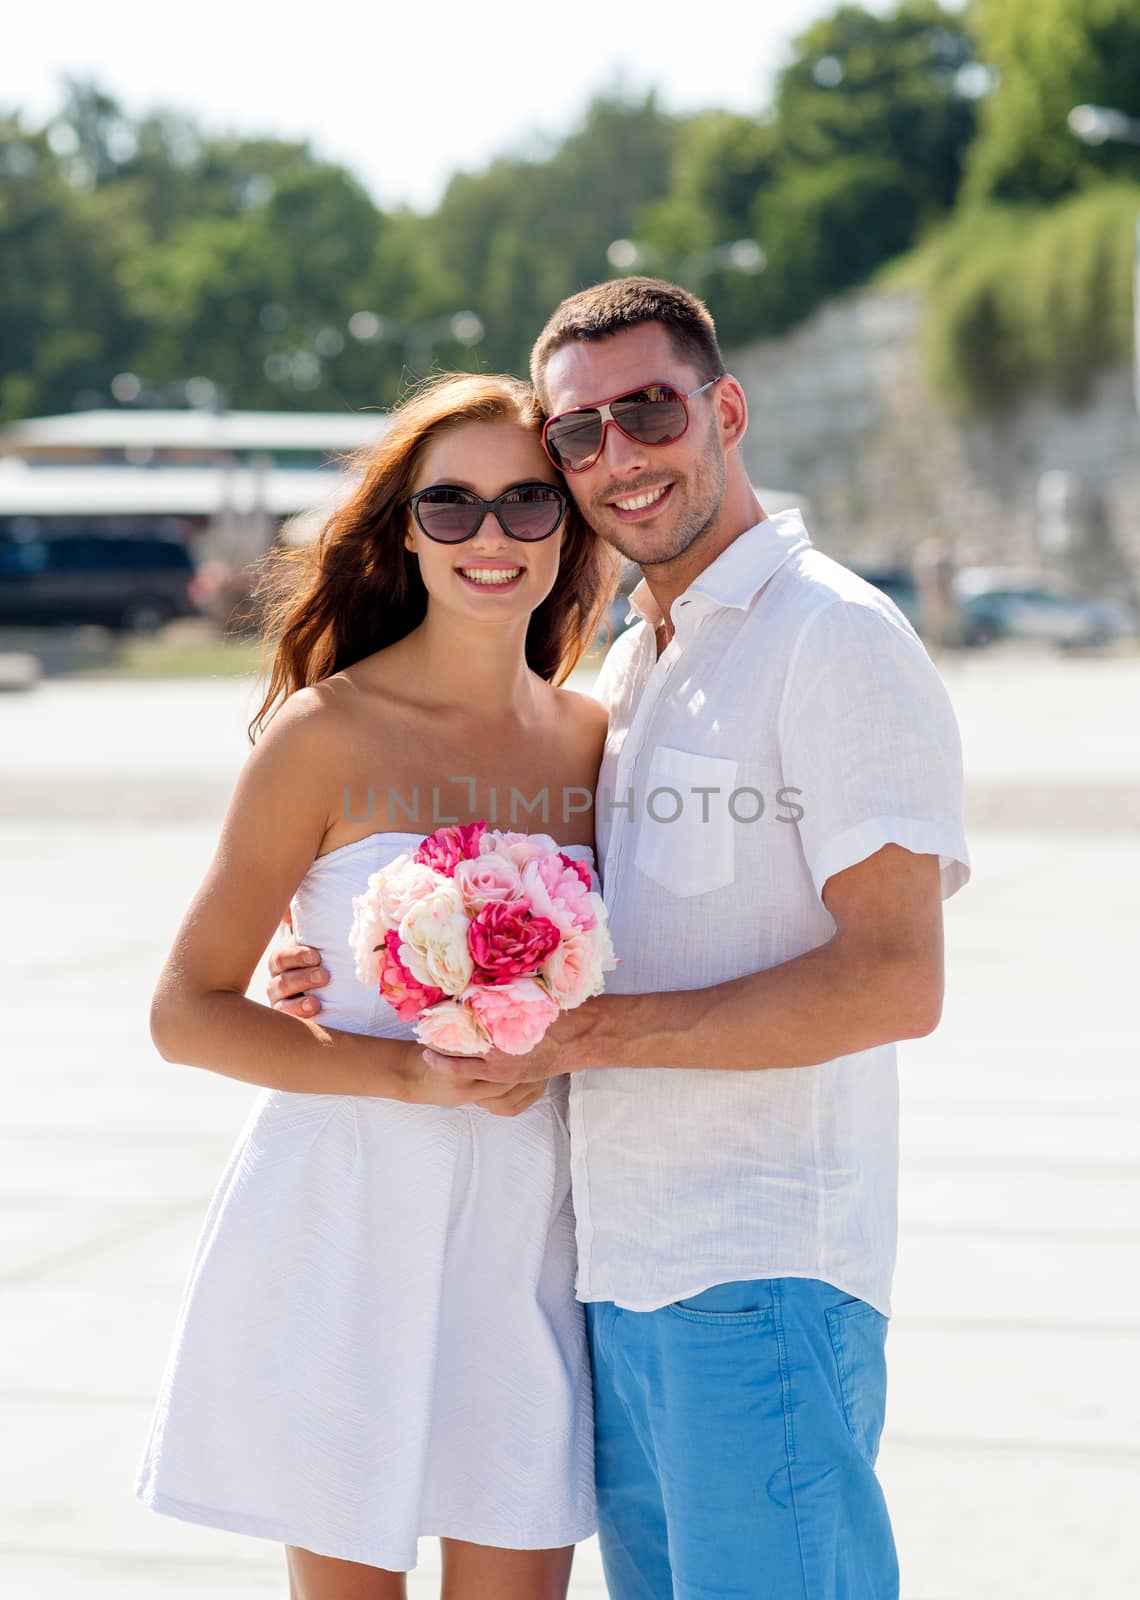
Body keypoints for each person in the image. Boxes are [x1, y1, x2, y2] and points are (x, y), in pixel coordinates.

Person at [274, 280, 971, 1600]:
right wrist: (353, 967)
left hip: (760, 1284)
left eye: (647, 410)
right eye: (576, 434)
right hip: (618, 1280)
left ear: (724, 408)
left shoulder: (831, 639)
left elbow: (896, 979)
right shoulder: (630, 674)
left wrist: (579, 1035)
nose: (616, 457)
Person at [135, 372, 619, 1600]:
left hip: (529, 1224)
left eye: (525, 501)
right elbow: (186, 1009)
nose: (492, 536)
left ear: (570, 520)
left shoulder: (593, 742)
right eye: (449, 505)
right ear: (405, 529)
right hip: (347, 1217)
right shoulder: (322, 735)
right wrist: (396, 1061)